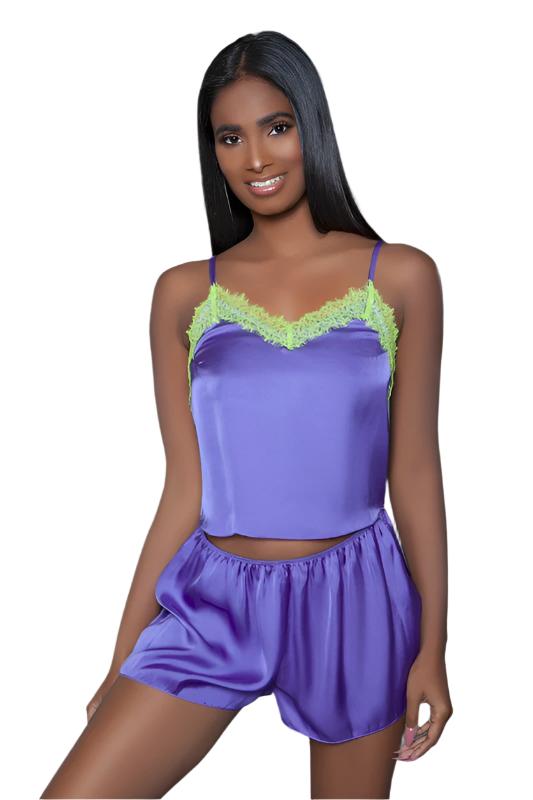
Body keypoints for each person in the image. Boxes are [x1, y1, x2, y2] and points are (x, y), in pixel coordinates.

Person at [41, 30, 452, 800]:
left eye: (276, 127)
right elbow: (184, 485)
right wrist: (124, 654)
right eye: (230, 137)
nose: (256, 158)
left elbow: (415, 472)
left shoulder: (399, 276)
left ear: (311, 127)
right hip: (214, 600)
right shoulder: (184, 293)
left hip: (355, 598)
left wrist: (432, 646)